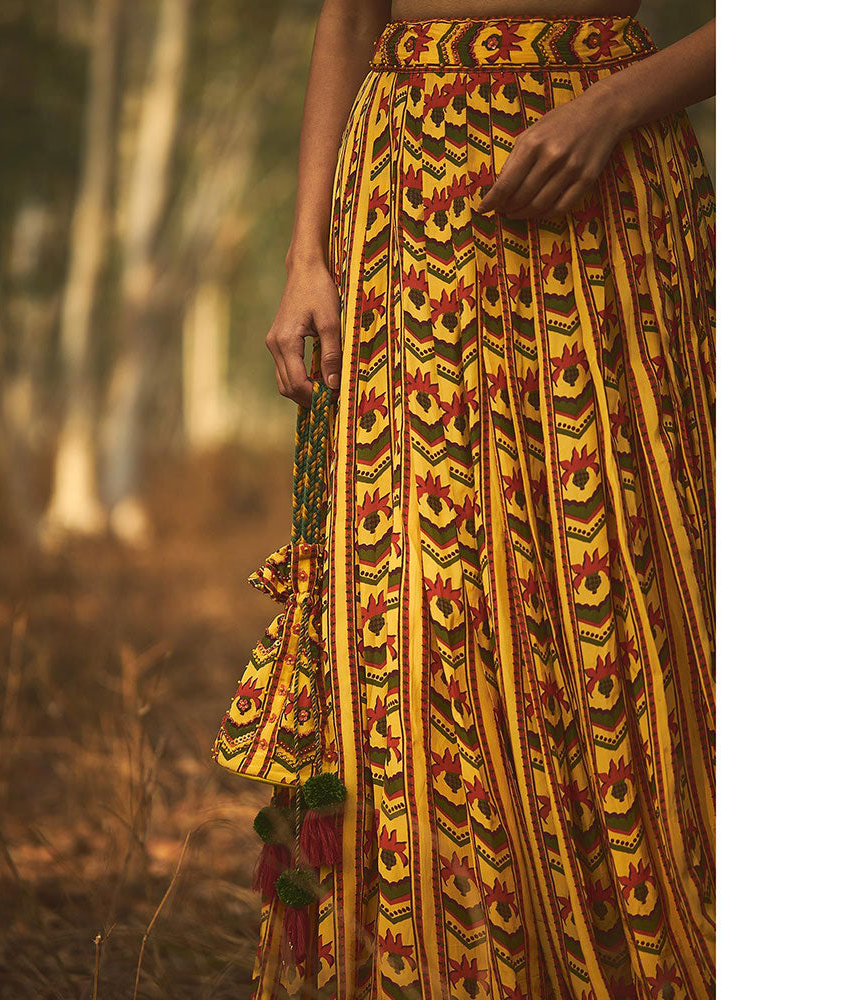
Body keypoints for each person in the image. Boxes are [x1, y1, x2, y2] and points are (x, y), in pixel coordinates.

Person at [258, 2, 715, 997]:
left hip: (602, 188)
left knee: (612, 616)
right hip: (400, 198)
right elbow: (346, 17)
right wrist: (306, 257)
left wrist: (612, 105)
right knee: (405, 610)